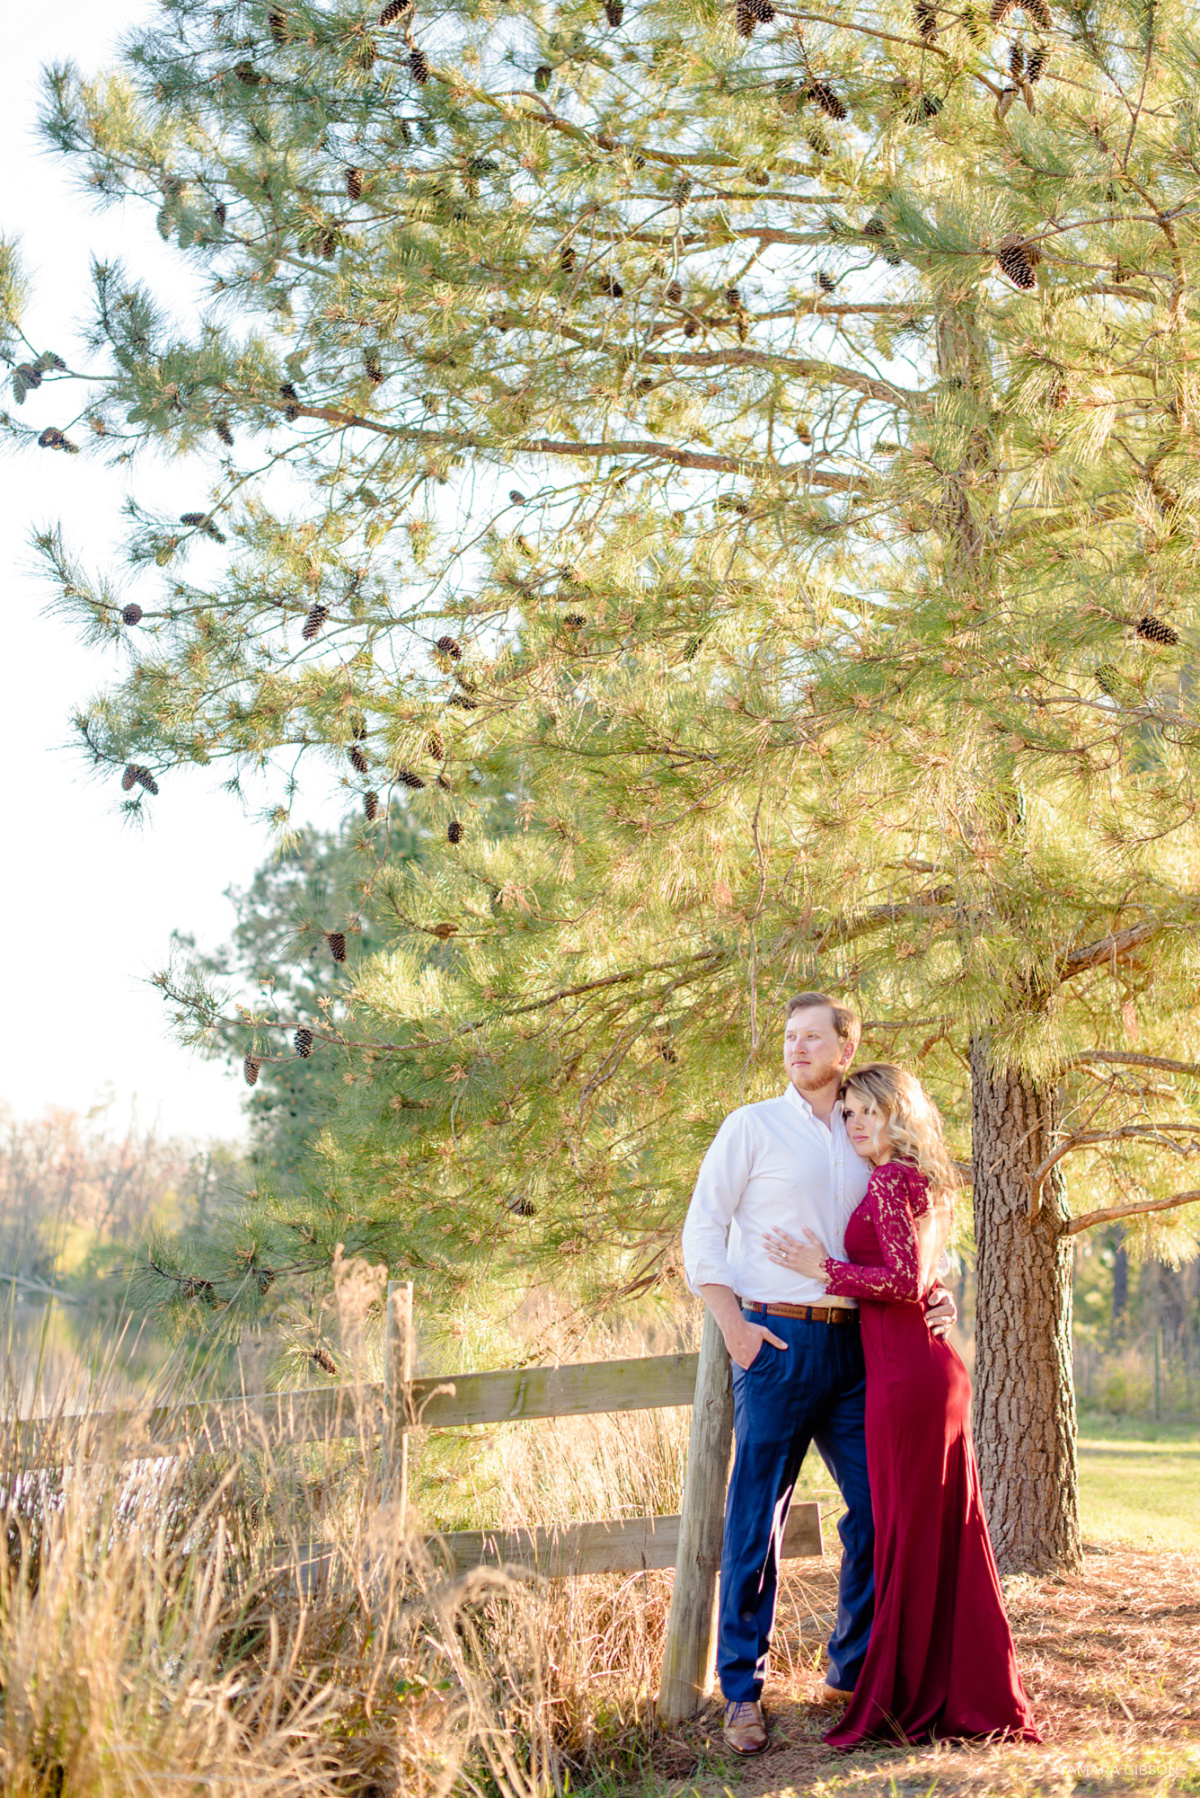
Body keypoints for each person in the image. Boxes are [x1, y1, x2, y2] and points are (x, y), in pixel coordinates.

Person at [680, 994, 956, 1757]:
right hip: (775, 1344)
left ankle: (850, 1665)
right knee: (757, 1522)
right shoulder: (752, 1127)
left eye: (812, 1038)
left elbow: (904, 1238)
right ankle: (742, 1692)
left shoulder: (864, 1129)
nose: (796, 1049)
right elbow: (702, 1229)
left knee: (877, 1510)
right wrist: (733, 1326)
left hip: (863, 1350)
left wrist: (936, 1289)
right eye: (788, 1038)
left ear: (846, 1046)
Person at [765, 1062, 1040, 1748]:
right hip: (916, 1368)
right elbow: (919, 1273)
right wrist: (935, 1290)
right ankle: (952, 1688)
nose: (855, 1123)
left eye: (868, 1112)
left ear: (898, 1115)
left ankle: (906, 1695)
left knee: (910, 1537)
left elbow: (898, 1277)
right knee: (931, 1534)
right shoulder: (911, 1178)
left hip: (908, 1377)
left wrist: (820, 1268)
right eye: (848, 1113)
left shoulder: (893, 1179)